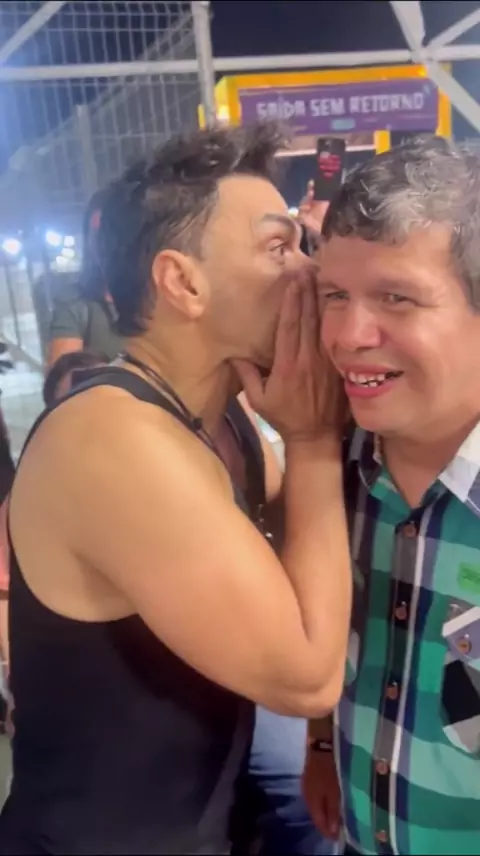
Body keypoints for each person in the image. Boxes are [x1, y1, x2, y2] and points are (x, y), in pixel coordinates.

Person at [1, 122, 351, 855]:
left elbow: (307, 546)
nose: (310, 272)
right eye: (278, 248)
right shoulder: (112, 440)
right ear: (183, 282)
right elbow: (307, 674)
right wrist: (315, 438)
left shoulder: (220, 419)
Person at [304, 134, 480, 856]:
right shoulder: (328, 475)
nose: (349, 336)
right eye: (334, 296)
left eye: (396, 298)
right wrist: (321, 745)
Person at [46, 190, 123, 366]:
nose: (102, 243)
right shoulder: (74, 302)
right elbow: (64, 377)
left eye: (110, 231)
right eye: (95, 233)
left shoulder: (157, 295)